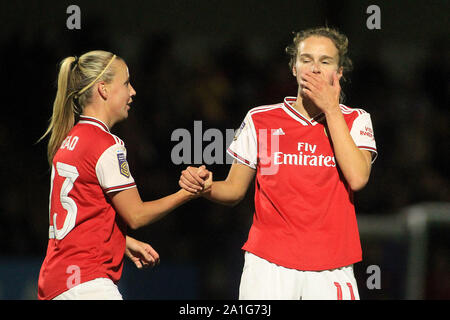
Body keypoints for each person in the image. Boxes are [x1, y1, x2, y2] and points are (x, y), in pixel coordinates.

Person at [179, 27, 378, 300]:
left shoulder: (356, 119)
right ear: (293, 68)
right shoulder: (262, 120)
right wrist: (206, 187)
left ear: (339, 72)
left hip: (333, 265)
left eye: (325, 61)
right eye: (306, 59)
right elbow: (235, 189)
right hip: (268, 264)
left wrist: (331, 109)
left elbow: (358, 177)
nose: (315, 69)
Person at [37, 50, 195, 300]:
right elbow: (136, 215)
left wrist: (122, 242)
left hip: (57, 281)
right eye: (126, 83)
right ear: (103, 89)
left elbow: (82, 213)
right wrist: (188, 193)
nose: (133, 91)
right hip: (87, 284)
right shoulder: (106, 144)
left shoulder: (69, 140)